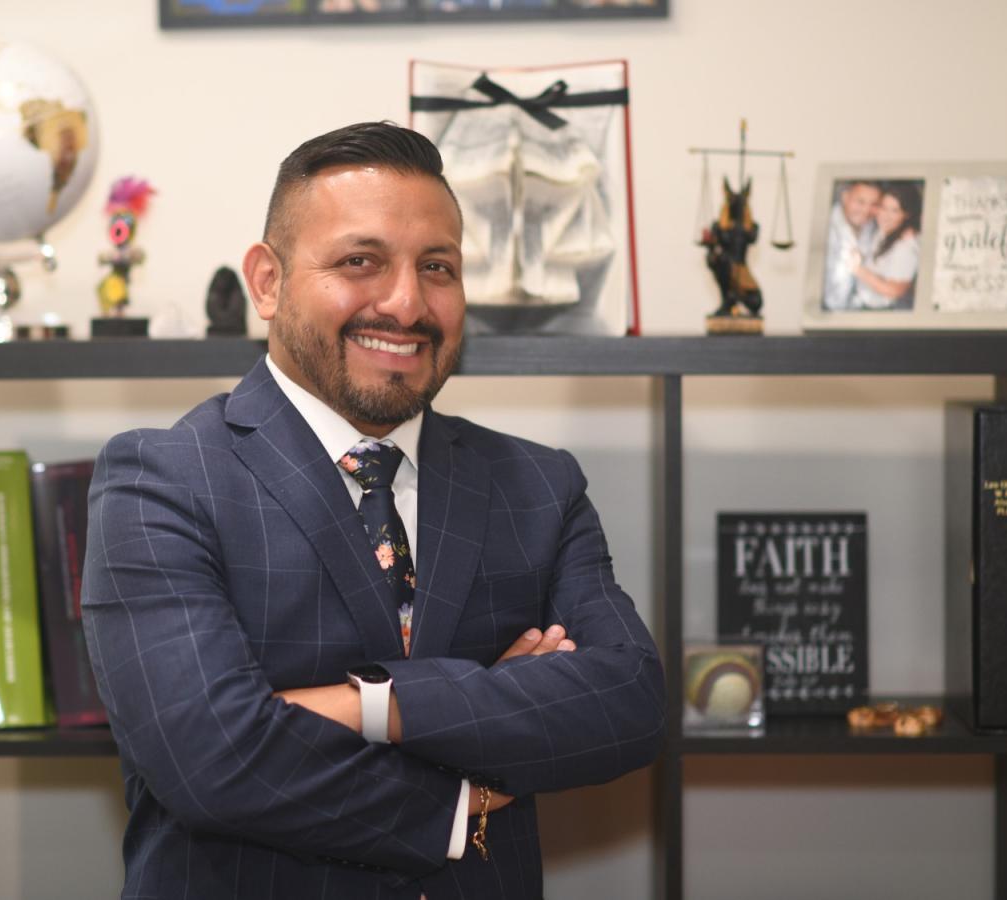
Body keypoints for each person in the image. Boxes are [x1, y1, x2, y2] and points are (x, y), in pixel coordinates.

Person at [82, 121, 666, 900]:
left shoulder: (537, 484)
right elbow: (213, 758)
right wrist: (468, 793)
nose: (407, 303)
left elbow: (626, 701)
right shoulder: (161, 478)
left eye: (438, 267)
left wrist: (372, 706)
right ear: (267, 281)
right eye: (360, 262)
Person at [849, 182, 921, 310]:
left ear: (906, 214)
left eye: (894, 210)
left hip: (880, 312)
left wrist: (858, 269)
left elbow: (894, 291)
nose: (885, 215)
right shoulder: (885, 229)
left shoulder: (906, 247)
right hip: (862, 300)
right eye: (883, 207)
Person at [821, 180, 881, 310]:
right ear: (845, 197)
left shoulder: (874, 227)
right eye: (860, 202)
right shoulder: (824, 227)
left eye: (874, 204)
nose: (866, 210)